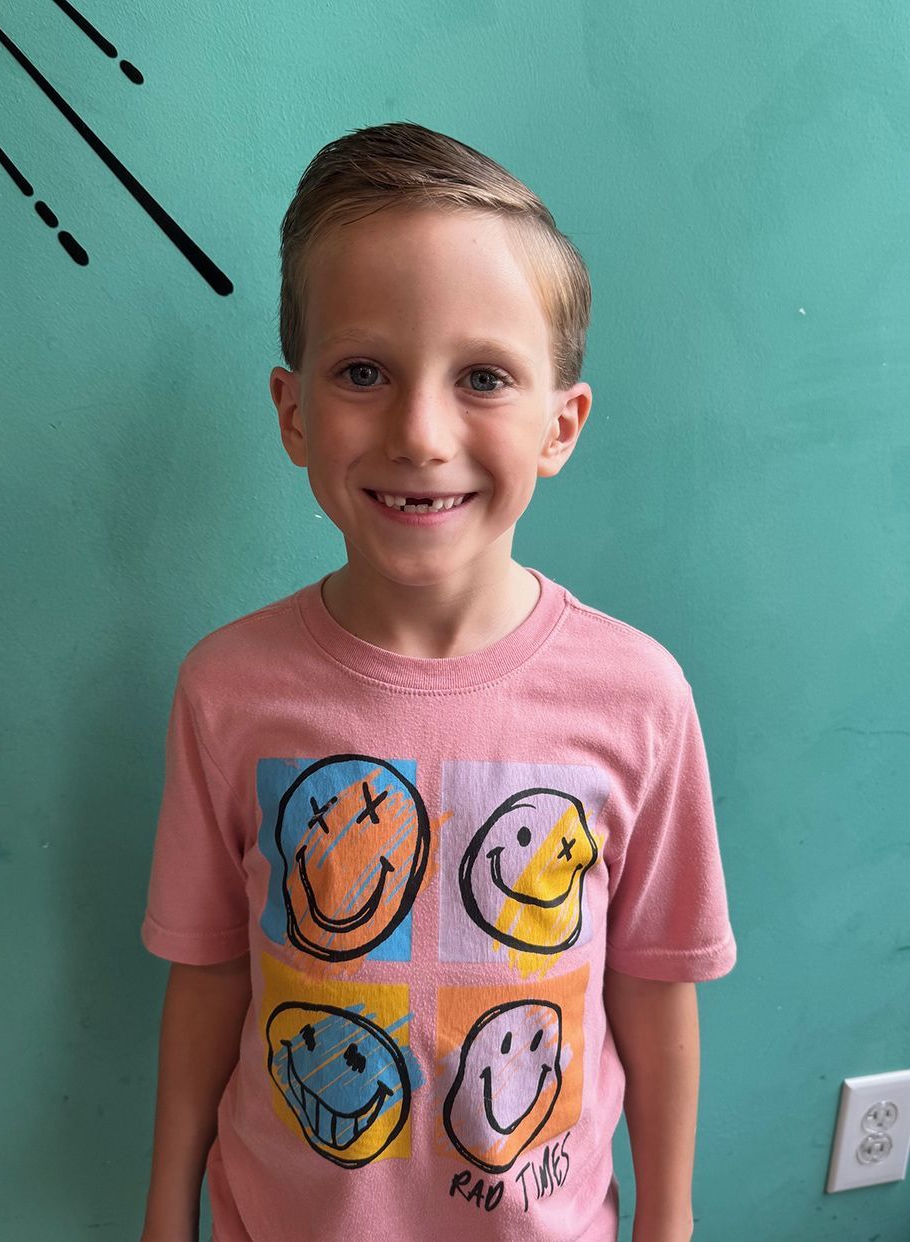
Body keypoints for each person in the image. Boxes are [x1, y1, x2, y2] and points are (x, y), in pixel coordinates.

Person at [138, 120, 736, 1242]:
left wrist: (671, 1222)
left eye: (483, 378)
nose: (419, 432)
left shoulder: (638, 697)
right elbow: (208, 973)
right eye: (363, 371)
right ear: (292, 412)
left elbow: (655, 991)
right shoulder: (226, 689)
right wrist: (167, 1210)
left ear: (561, 425)